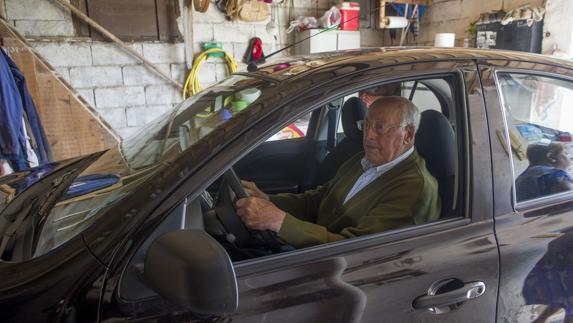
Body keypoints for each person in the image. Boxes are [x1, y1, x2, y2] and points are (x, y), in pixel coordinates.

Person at [236, 96, 441, 248]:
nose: (368, 135)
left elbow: (356, 248)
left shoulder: (414, 190)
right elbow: (318, 200)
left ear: (408, 134)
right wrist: (267, 200)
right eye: (366, 125)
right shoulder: (362, 161)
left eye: (380, 127)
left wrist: (279, 222)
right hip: (312, 252)